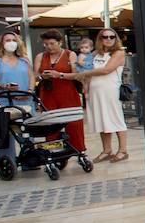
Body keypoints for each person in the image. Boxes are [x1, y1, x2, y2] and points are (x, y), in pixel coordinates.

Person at [54, 29, 128, 162]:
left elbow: (107, 70)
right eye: (105, 37)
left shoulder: (118, 53)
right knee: (102, 119)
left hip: (110, 91)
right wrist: (60, 74)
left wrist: (86, 74)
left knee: (115, 119)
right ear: (100, 39)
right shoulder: (95, 53)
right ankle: (107, 150)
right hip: (95, 91)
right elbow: (82, 70)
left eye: (112, 36)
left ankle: (123, 150)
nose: (108, 39)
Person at [0, 31, 35, 173]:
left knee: (27, 131)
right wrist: (2, 86)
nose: (11, 43)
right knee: (5, 133)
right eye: (7, 40)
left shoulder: (24, 60)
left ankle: (29, 160)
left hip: (25, 99)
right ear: (1, 43)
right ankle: (7, 161)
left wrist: (30, 91)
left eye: (14, 40)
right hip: (3, 100)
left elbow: (31, 77)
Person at [34, 30, 85, 154]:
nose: (49, 47)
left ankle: (78, 150)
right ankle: (54, 151)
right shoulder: (40, 56)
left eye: (52, 43)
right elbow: (35, 75)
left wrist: (60, 75)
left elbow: (77, 75)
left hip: (67, 92)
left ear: (60, 42)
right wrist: (42, 77)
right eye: (46, 44)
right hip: (47, 93)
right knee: (51, 124)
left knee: (73, 123)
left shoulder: (70, 54)